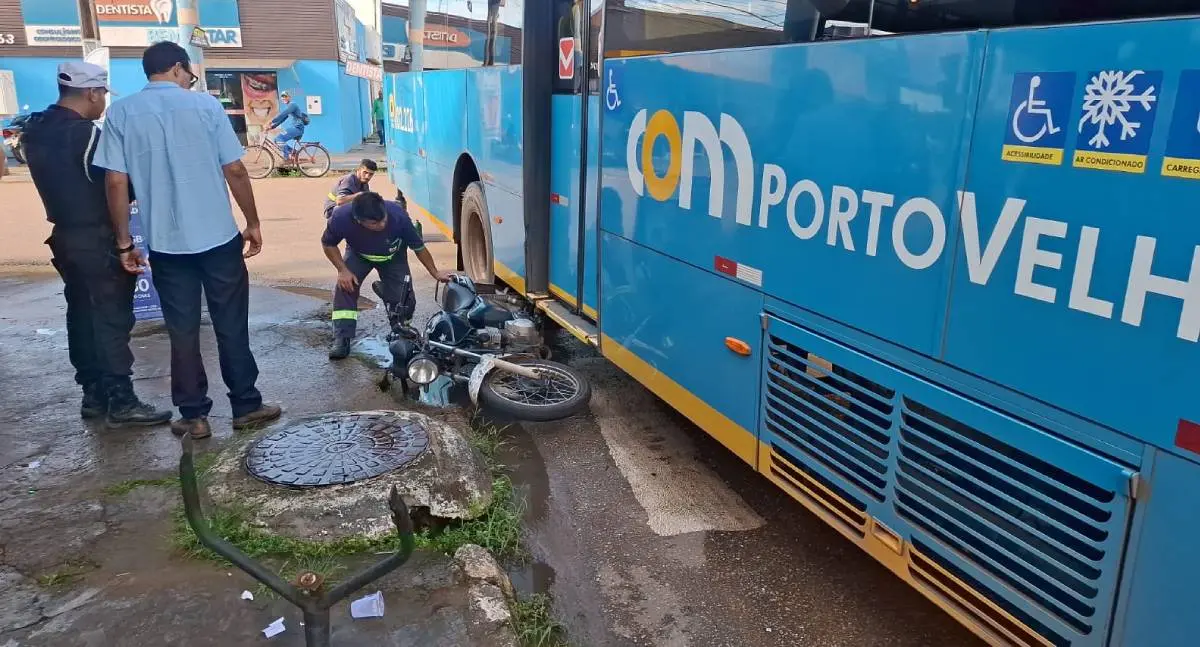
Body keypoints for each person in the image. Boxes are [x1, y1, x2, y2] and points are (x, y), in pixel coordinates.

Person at [94, 41, 282, 439]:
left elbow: (115, 180)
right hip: (218, 238)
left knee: (181, 330)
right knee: (231, 323)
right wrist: (253, 222)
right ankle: (246, 404)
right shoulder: (206, 107)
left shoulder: (121, 112)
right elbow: (234, 169)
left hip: (166, 244)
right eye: (188, 73)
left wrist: (125, 243)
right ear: (178, 69)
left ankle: (194, 416)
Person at [22, 61, 172, 428]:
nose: (103, 100)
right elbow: (116, 185)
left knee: (81, 315)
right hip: (96, 237)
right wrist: (124, 244)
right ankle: (122, 401)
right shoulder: (88, 135)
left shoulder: (34, 130)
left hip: (65, 237)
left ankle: (93, 394)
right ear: (91, 92)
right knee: (111, 319)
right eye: (102, 93)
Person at [322, 191, 450, 360]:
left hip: (393, 257)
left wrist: (435, 272)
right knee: (345, 288)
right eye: (375, 223)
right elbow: (328, 243)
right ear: (358, 220)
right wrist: (342, 270)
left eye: (383, 219)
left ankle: (401, 331)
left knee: (404, 298)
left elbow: (419, 248)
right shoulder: (341, 217)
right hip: (359, 255)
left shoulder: (398, 216)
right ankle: (342, 337)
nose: (382, 224)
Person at [269, 90, 308, 160]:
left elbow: (283, 114)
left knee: (279, 139)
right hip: (295, 128)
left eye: (285, 96)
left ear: (289, 97)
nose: (283, 98)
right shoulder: (289, 106)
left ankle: (287, 158)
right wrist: (272, 127)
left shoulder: (293, 105)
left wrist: (272, 121)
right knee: (276, 140)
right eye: (282, 97)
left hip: (298, 128)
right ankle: (294, 153)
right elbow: (283, 119)